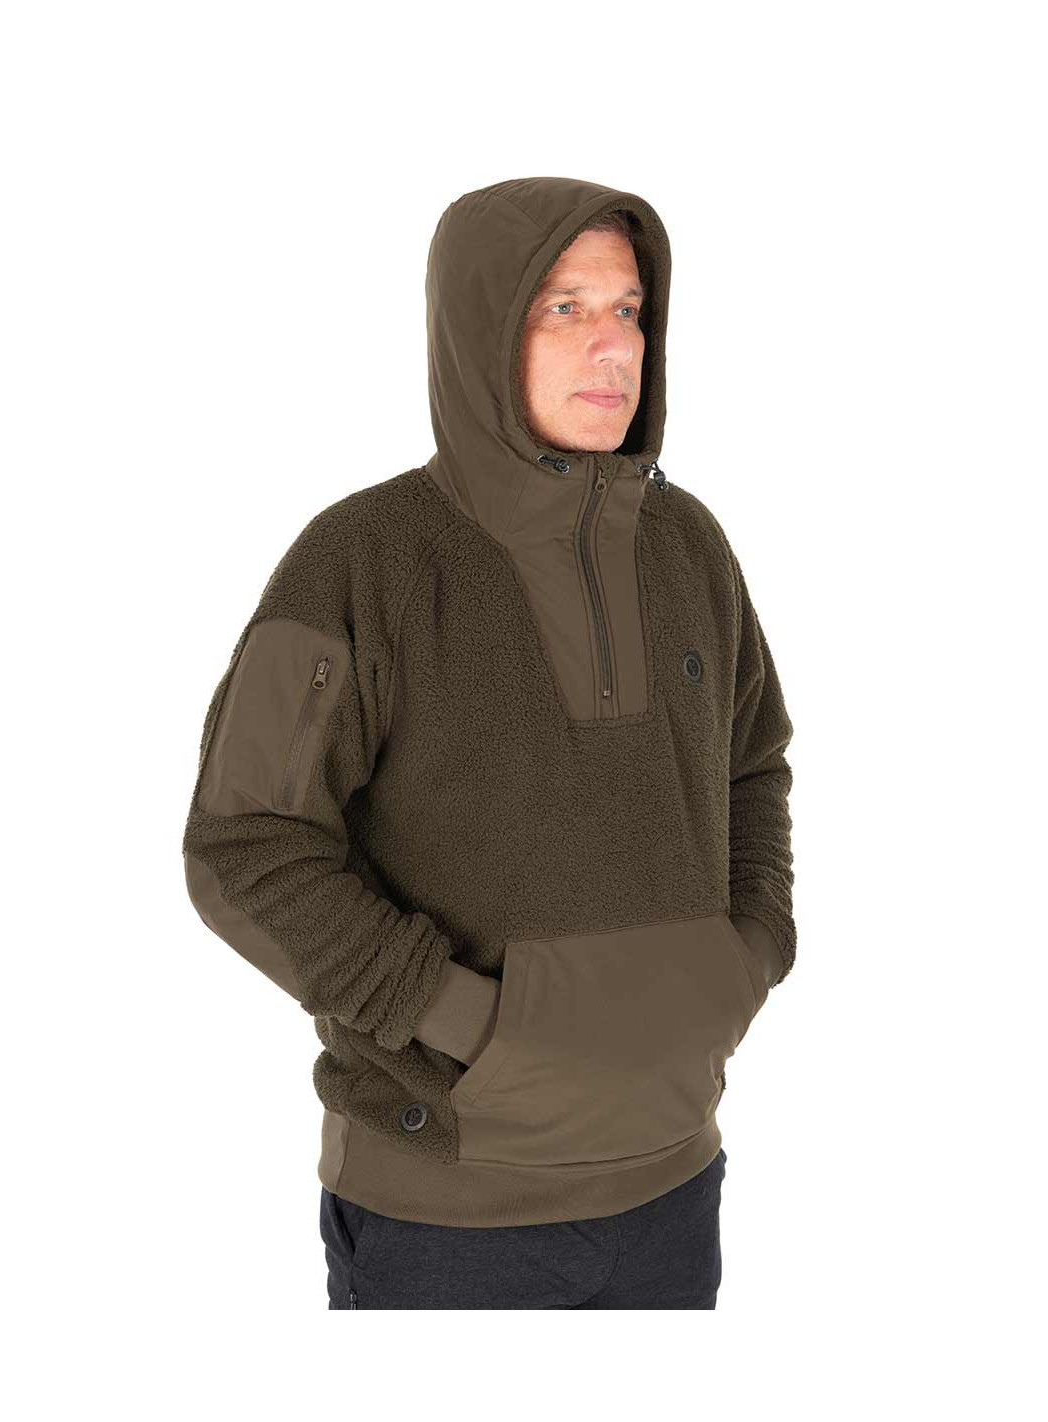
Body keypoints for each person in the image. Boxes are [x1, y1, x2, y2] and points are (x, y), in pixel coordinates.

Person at [182, 175, 797, 1309]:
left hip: (674, 1183)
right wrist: (464, 1019)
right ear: (479, 329)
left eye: (628, 309)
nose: (611, 345)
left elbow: (752, 763)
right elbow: (245, 846)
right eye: (563, 308)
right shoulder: (361, 558)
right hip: (447, 1214)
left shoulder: (690, 543)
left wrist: (749, 954)